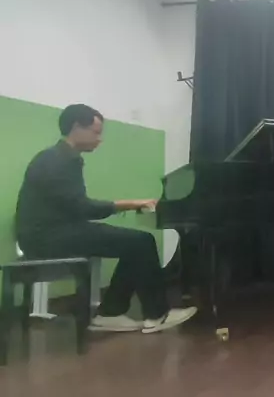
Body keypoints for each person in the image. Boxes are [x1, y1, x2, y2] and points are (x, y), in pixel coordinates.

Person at [15, 104, 197, 333]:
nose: (99, 139)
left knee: (135, 244)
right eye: (96, 132)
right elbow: (83, 208)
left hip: (52, 233)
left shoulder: (59, 157)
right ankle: (157, 315)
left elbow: (74, 207)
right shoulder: (57, 160)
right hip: (47, 238)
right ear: (76, 127)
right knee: (142, 242)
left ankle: (111, 313)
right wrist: (131, 203)